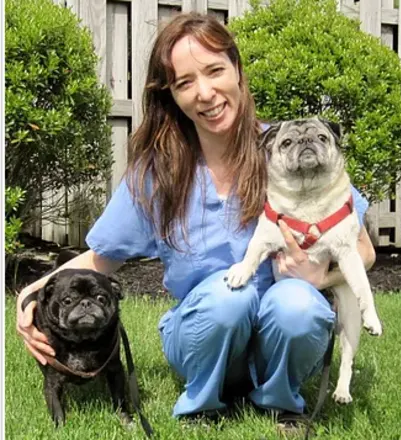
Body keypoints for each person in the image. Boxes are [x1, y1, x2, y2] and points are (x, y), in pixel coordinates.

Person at [16, 12, 376, 432]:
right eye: (185, 82)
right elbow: (100, 259)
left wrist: (320, 278)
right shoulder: (158, 173)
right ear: (171, 94)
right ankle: (202, 403)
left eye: (215, 71)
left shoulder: (286, 149)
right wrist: (28, 295)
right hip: (203, 338)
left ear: (238, 71)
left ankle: (283, 404)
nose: (205, 93)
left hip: (284, 335)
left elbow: (363, 250)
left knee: (297, 303)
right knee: (229, 297)